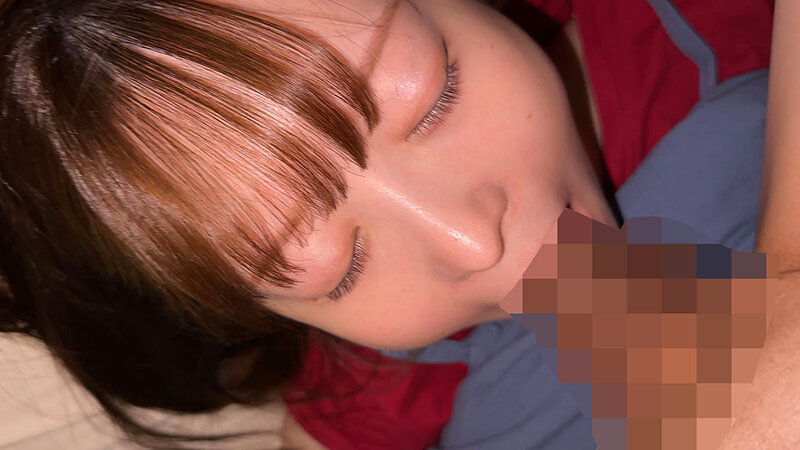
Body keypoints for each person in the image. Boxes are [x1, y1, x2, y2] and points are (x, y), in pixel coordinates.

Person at [0, 0, 776, 448]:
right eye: (341, 271)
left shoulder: (724, 23)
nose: (471, 240)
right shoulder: (370, 381)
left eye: (434, 99)